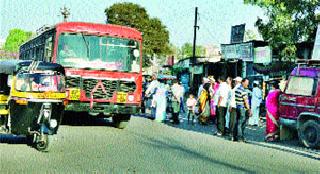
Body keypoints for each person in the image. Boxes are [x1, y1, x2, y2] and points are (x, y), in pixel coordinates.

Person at [235, 78, 252, 142]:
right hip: (242, 108)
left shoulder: (237, 89)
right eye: (246, 83)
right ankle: (240, 137)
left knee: (239, 122)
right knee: (242, 123)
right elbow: (246, 101)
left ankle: (237, 136)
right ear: (242, 82)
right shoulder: (243, 90)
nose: (247, 84)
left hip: (238, 107)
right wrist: (249, 109)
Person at [228, 77, 242, 141]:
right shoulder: (241, 88)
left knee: (232, 121)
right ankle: (236, 135)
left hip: (234, 106)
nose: (234, 82)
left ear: (237, 81)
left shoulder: (235, 88)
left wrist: (230, 106)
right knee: (237, 122)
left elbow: (233, 98)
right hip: (239, 106)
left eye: (235, 81)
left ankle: (232, 134)